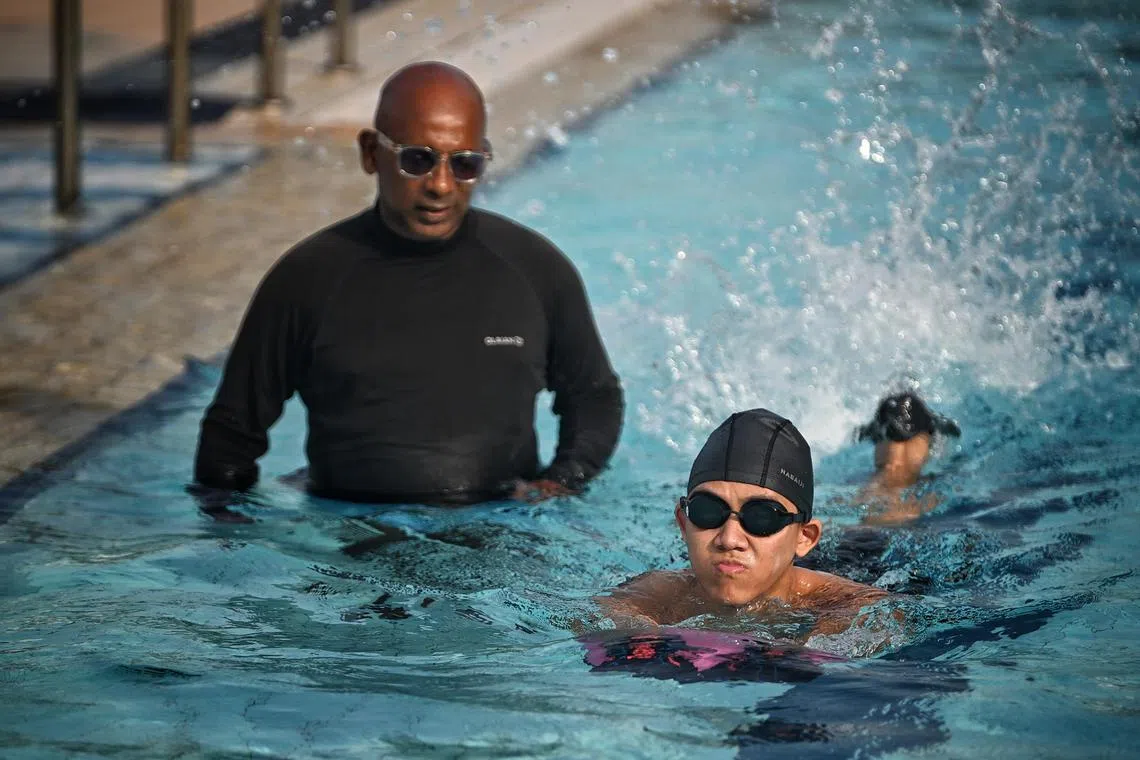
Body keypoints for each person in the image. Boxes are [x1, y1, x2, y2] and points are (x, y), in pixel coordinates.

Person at [192, 62, 623, 508]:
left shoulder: (535, 270)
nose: (440, 185)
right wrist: (227, 535)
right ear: (370, 154)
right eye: (417, 159)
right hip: (343, 541)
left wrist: (559, 484)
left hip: (500, 539)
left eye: (464, 164)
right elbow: (232, 434)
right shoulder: (307, 280)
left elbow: (595, 397)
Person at [597, 408, 888, 637]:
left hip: (862, 557)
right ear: (684, 524)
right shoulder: (651, 596)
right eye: (708, 512)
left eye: (762, 517)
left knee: (885, 515)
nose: (729, 539)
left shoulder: (851, 608)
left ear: (805, 537)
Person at [853, 391, 960, 525]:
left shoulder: (857, 484)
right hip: (907, 527)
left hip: (862, 531)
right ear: (925, 438)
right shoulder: (938, 487)